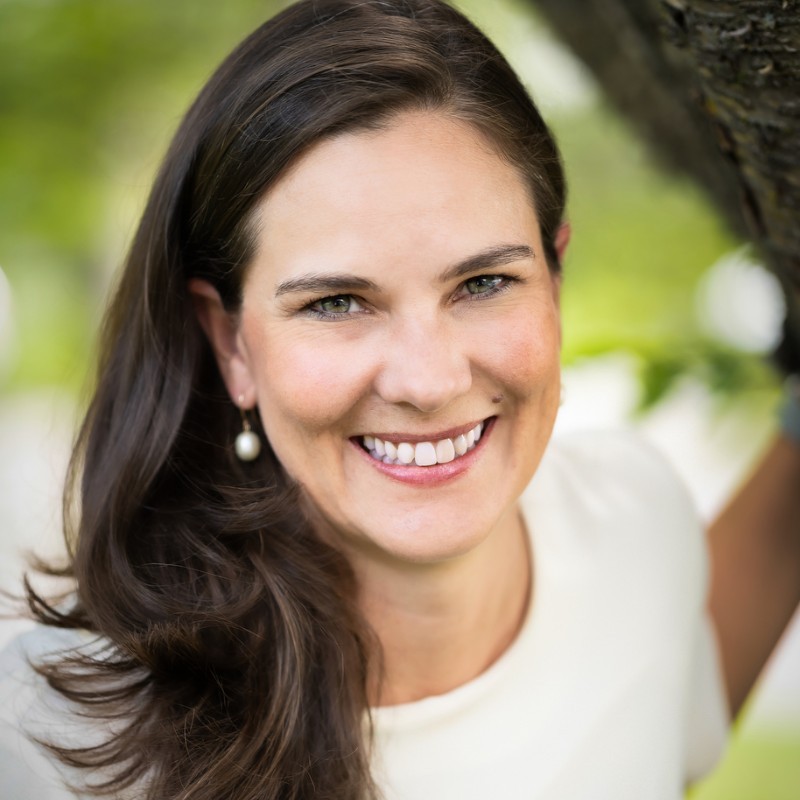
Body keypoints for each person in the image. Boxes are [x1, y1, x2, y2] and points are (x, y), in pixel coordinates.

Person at [1, 1, 799, 798]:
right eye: (337, 303)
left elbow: (663, 716)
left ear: (554, 280)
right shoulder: (47, 739)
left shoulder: (637, 524)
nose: (429, 381)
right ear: (231, 343)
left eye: (484, 283)